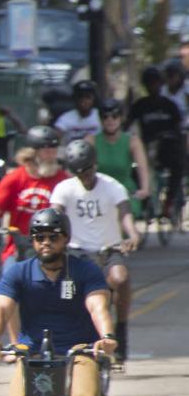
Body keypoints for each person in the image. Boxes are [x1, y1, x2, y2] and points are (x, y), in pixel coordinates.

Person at [0, 207, 115, 396]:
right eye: (39, 237)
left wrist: (107, 337)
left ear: (65, 239)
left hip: (78, 352)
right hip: (34, 355)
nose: (46, 243)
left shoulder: (85, 271)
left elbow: (98, 306)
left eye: (53, 237)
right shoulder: (18, 272)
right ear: (32, 240)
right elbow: (1, 307)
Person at [52, 139, 141, 361]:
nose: (86, 176)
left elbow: (125, 213)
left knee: (120, 279)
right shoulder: (64, 189)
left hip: (108, 249)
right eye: (80, 173)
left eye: (89, 170)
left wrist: (132, 234)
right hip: (75, 251)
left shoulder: (112, 187)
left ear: (95, 165)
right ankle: (66, 335)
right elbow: (56, 214)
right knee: (67, 292)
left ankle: (120, 330)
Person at [0, 125, 68, 262]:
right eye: (46, 149)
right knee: (10, 279)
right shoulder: (15, 178)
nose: (51, 154)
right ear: (32, 153)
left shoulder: (64, 181)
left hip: (54, 251)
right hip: (19, 250)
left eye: (54, 148)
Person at [128, 65, 186, 222]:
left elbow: (179, 127)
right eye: (150, 83)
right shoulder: (140, 106)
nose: (154, 86)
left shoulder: (170, 105)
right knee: (134, 169)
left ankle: (170, 202)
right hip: (146, 149)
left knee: (179, 164)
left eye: (156, 82)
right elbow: (127, 125)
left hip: (168, 148)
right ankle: (145, 203)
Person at [91, 98, 154, 217]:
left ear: (120, 118)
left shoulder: (132, 141)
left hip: (125, 193)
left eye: (114, 116)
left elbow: (142, 168)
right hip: (99, 193)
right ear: (100, 119)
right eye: (105, 117)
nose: (110, 120)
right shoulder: (91, 141)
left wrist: (145, 189)